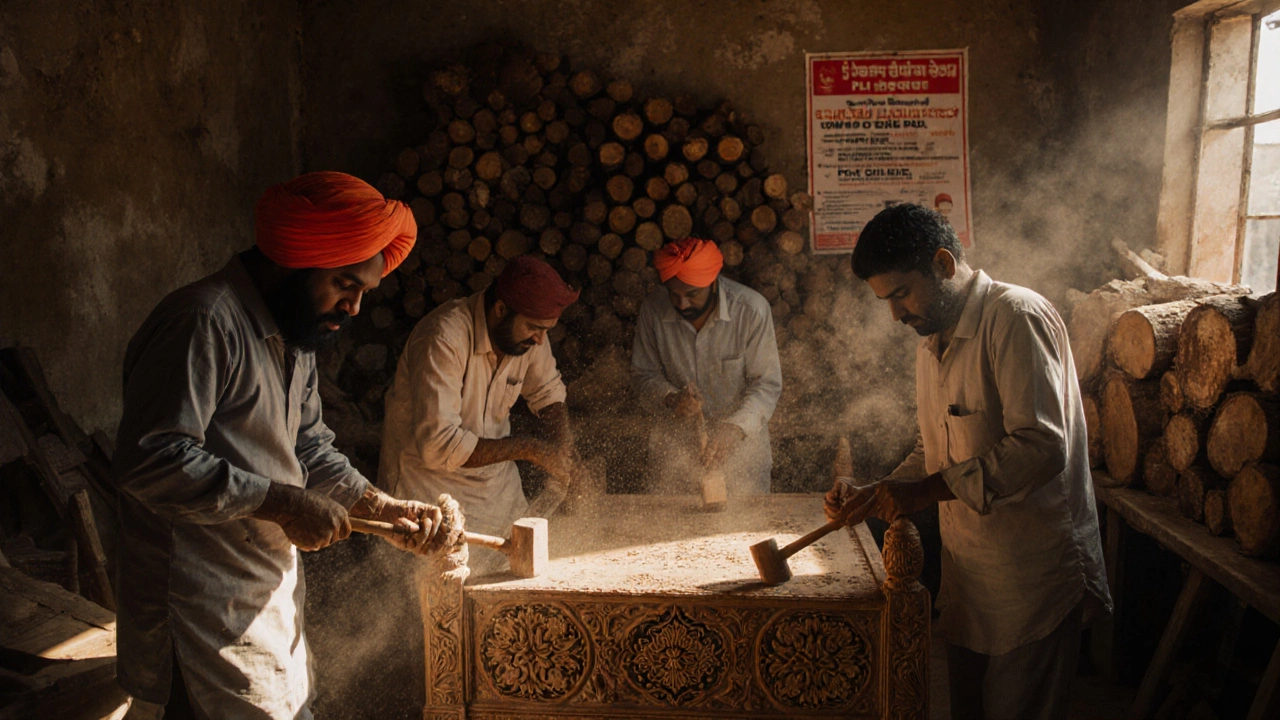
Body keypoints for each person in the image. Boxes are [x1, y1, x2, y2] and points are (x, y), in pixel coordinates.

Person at [113, 171, 457, 720]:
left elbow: (310, 447)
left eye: (365, 291)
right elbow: (150, 458)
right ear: (292, 261)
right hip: (196, 603)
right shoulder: (203, 321)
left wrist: (379, 507)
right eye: (346, 284)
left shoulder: (297, 334)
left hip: (264, 591)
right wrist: (284, 503)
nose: (355, 307)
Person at [825, 203, 1110, 720]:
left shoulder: (1016, 318)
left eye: (901, 294)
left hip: (1031, 581)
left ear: (943, 263)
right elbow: (932, 450)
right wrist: (878, 492)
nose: (895, 314)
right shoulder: (931, 338)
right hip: (970, 580)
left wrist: (923, 493)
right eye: (885, 302)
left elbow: (1042, 446)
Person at [379, 255, 581, 541]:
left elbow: (548, 393)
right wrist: (531, 449)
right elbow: (438, 446)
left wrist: (564, 453)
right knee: (428, 584)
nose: (539, 339)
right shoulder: (444, 336)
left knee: (517, 575)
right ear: (500, 309)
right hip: (428, 499)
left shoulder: (529, 332)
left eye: (546, 331)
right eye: (535, 328)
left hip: (497, 497)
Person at [631, 237, 782, 495]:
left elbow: (766, 384)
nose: (682, 304)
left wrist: (734, 428)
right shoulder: (653, 310)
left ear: (713, 283)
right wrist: (671, 399)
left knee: (746, 531)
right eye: (673, 294)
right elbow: (643, 376)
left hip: (742, 457)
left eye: (692, 294)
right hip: (674, 458)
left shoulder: (751, 311)